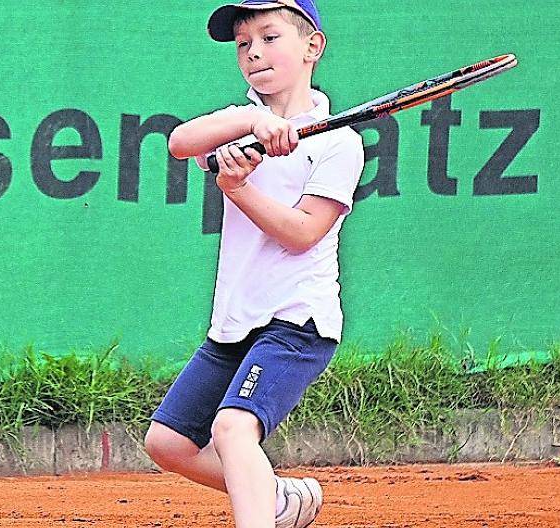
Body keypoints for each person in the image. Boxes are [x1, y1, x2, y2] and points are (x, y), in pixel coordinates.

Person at [143, 1, 365, 526]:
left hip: (297, 319)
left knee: (233, 429)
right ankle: (277, 499)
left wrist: (237, 188)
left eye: (269, 37)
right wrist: (253, 121)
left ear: (313, 46)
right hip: (236, 319)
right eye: (244, 44)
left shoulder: (339, 143)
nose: (254, 53)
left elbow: (303, 233)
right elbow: (179, 143)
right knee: (167, 442)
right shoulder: (237, 123)